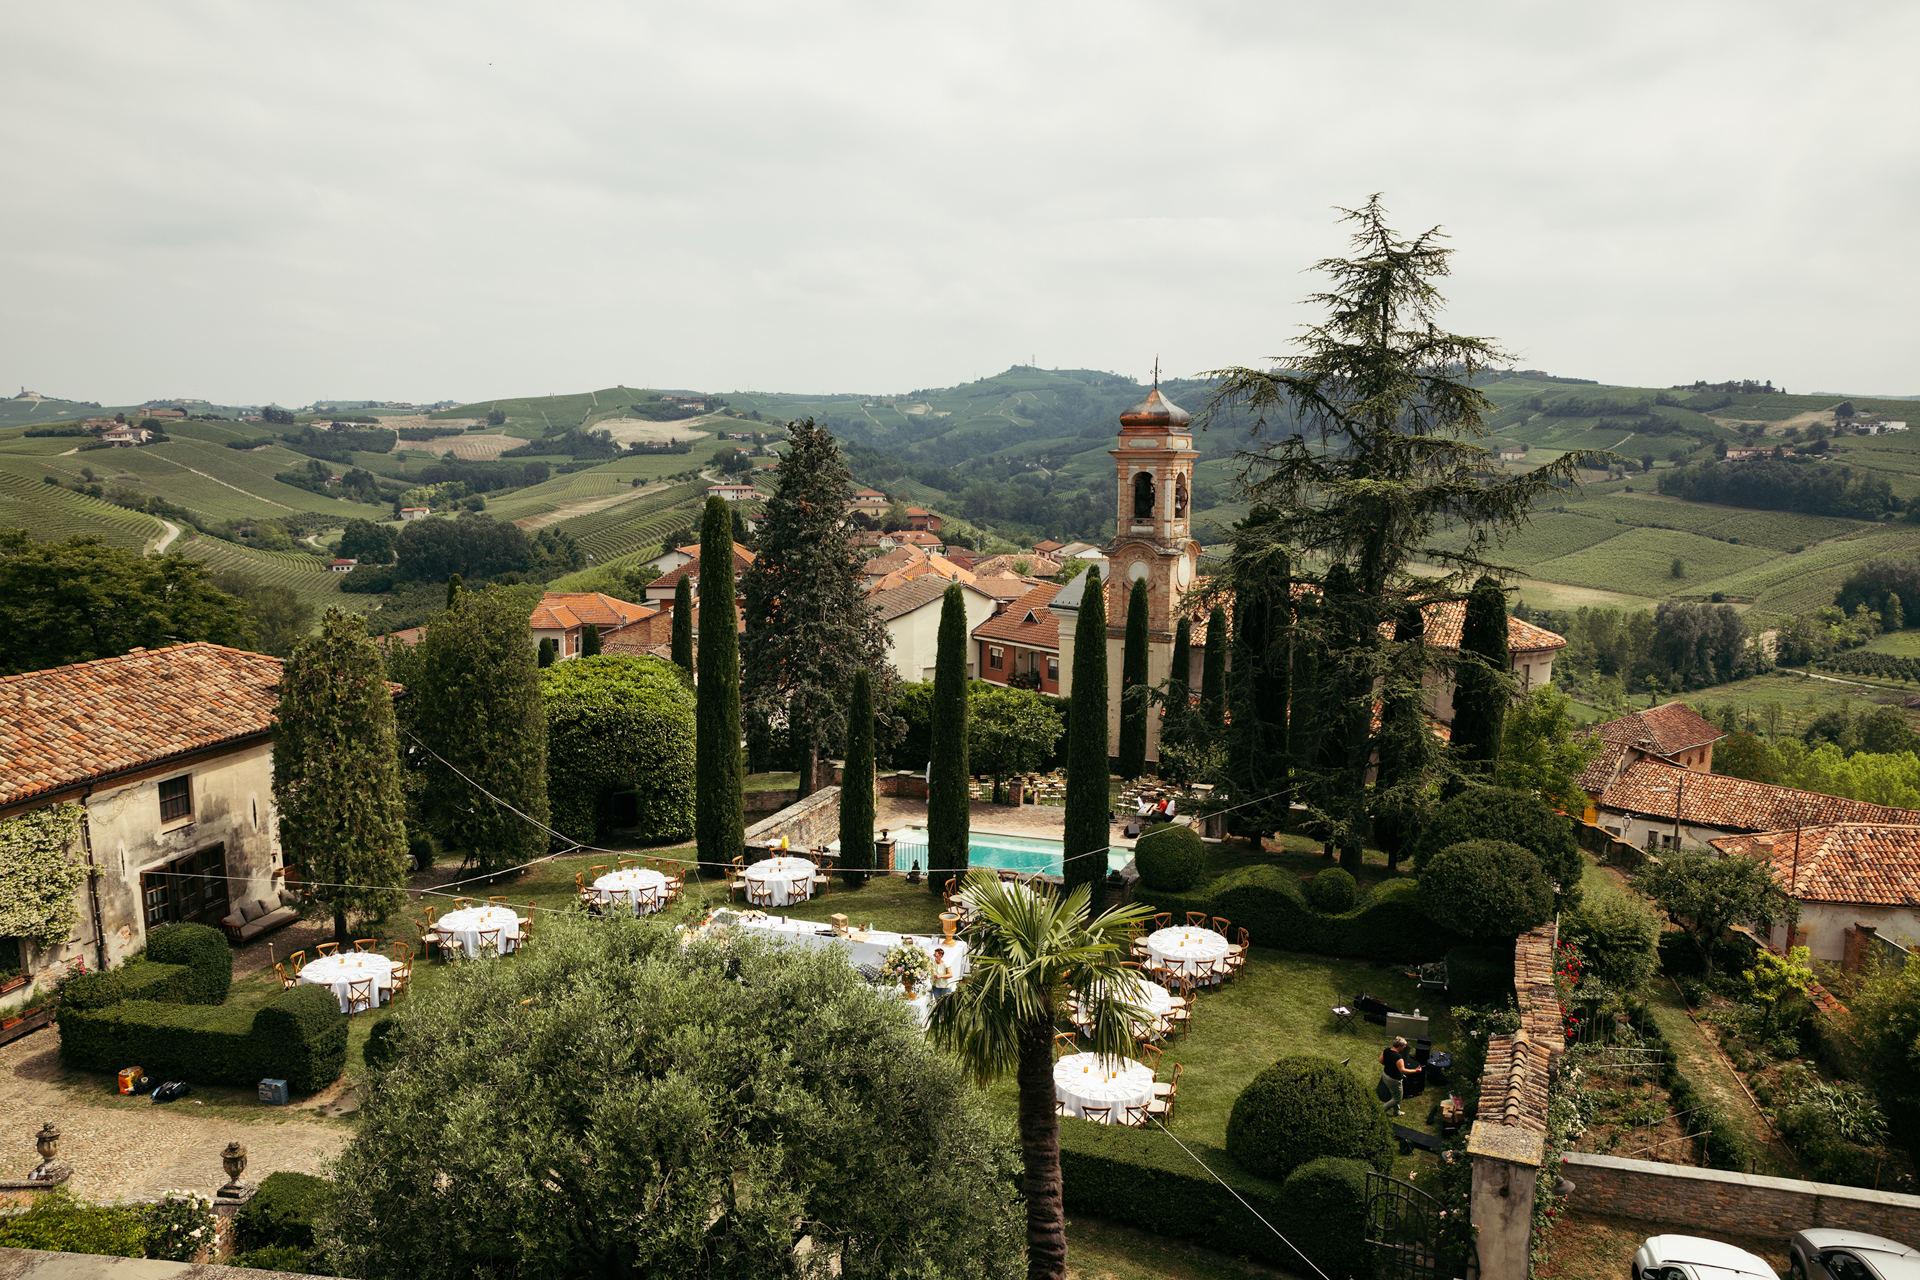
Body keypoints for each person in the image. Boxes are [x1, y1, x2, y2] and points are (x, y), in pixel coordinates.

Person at [1378, 1036, 1419, 1116]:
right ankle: (1380, 1111)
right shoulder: (1398, 1058)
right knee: (1397, 1098)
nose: (1404, 1047)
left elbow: (1381, 1060)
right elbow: (1403, 1070)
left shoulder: (1386, 1050)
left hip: (1385, 1076)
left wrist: (1390, 1065)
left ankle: (1396, 1112)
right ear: (1399, 1046)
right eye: (1404, 1045)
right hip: (1394, 1080)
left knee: (1394, 1095)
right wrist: (1416, 1071)